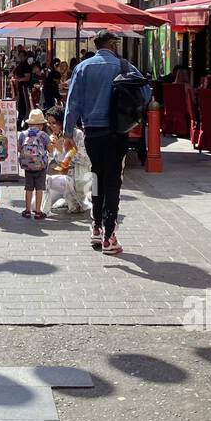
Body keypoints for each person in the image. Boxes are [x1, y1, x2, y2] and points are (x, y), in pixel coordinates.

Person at [63, 29, 151, 255]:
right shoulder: (124, 66)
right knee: (113, 180)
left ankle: (95, 226)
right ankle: (109, 235)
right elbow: (146, 92)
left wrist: (67, 133)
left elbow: (73, 102)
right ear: (112, 44)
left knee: (96, 176)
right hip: (116, 132)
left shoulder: (82, 68)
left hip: (92, 133)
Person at [45, 106, 91, 213]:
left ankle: (75, 199)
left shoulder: (77, 134)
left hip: (79, 175)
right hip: (63, 175)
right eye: (49, 123)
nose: (52, 126)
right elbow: (54, 160)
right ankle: (65, 198)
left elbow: (85, 159)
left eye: (54, 123)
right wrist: (51, 149)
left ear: (62, 122)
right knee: (34, 204)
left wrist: (63, 150)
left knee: (74, 208)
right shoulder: (55, 136)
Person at [17, 108, 51, 219]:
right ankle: (38, 211)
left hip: (27, 166)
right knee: (39, 189)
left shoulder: (23, 134)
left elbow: (19, 148)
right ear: (41, 124)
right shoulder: (43, 135)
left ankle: (27, 210)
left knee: (28, 188)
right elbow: (50, 149)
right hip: (40, 167)